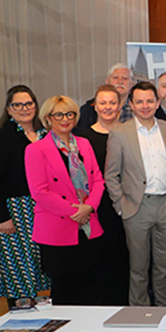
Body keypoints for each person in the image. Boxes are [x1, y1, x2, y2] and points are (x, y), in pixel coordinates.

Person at [25, 95, 105, 305]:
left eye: (70, 114)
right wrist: (75, 211)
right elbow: (39, 192)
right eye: (58, 114)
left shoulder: (84, 144)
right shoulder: (35, 149)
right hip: (57, 229)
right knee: (65, 290)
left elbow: (98, 179)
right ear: (48, 118)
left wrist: (89, 207)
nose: (65, 119)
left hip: (88, 226)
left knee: (91, 286)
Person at [105, 82, 166, 306]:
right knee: (138, 268)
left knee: (164, 266)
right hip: (136, 208)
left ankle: (164, 309)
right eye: (139, 101)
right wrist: (121, 206)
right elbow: (111, 175)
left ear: (157, 103)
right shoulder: (119, 134)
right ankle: (138, 312)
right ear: (131, 105)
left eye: (149, 100)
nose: (145, 105)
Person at [76, 85, 130, 305]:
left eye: (112, 103)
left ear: (120, 106)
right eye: (103, 103)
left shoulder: (130, 134)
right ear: (95, 106)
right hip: (94, 210)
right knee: (97, 260)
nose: (108, 107)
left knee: (123, 259)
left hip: (125, 207)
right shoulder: (82, 138)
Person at [0, 86, 51, 308]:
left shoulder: (46, 135)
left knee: (44, 265)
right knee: (20, 271)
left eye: (29, 103)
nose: (24, 109)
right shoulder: (3, 137)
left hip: (46, 208)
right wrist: (2, 217)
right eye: (18, 105)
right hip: (15, 211)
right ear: (9, 110)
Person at [77, 63, 134, 129]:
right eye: (115, 78)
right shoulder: (88, 110)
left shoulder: (137, 109)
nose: (120, 82)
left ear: (131, 84)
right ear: (107, 81)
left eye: (125, 78)